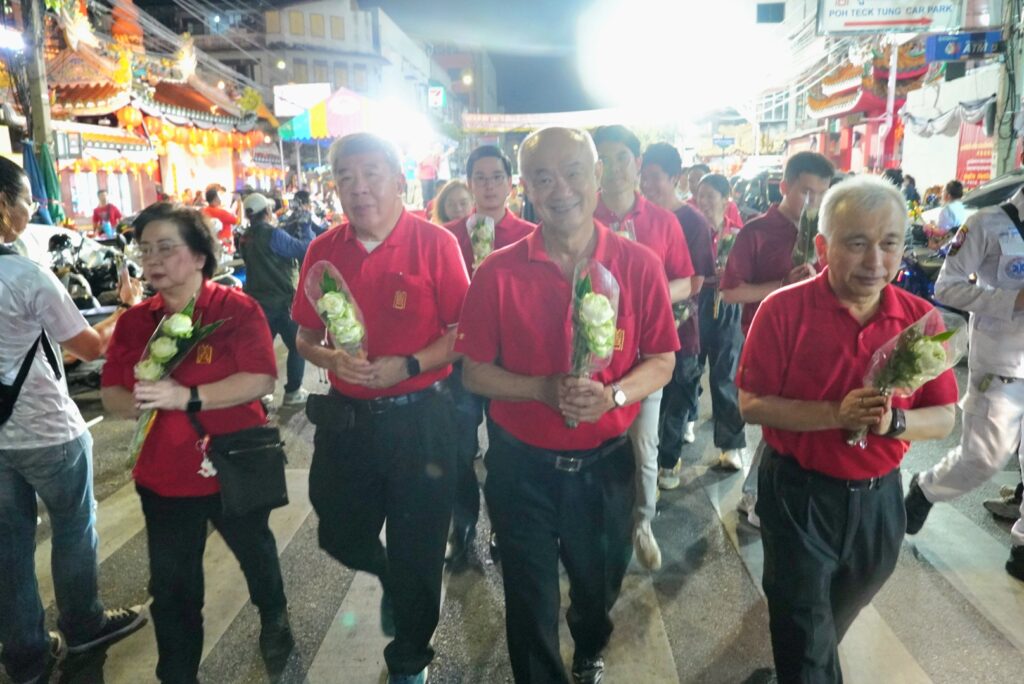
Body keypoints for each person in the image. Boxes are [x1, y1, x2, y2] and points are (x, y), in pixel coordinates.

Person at [456, 127, 678, 683]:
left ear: (597, 176)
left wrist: (615, 396)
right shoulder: (497, 271)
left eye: (574, 173)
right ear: (526, 188)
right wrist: (541, 388)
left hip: (604, 468)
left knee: (597, 585)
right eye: (544, 178)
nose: (561, 190)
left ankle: (589, 640)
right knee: (529, 602)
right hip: (521, 468)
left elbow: (662, 360)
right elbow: (474, 371)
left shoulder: (638, 264)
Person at [738, 175, 957, 681]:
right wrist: (835, 414)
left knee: (827, 624)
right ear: (823, 246)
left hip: (880, 501)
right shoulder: (782, 310)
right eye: (857, 244)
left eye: (889, 244)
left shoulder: (920, 320)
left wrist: (894, 421)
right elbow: (751, 404)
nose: (875, 261)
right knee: (803, 630)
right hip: (798, 496)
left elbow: (945, 417)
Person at [292, 133, 469, 684]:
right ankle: (390, 577)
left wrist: (409, 365)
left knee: (420, 550)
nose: (358, 187)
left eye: (371, 173)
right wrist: (330, 358)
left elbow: (463, 333)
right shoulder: (324, 250)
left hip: (422, 422)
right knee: (337, 530)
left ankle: (409, 660)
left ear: (398, 181)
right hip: (349, 422)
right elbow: (304, 336)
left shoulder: (435, 244)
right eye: (345, 177)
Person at [100, 203, 293, 683]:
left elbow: (260, 378)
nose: (153, 260)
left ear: (201, 256)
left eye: (167, 248)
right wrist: (140, 398)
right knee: (173, 590)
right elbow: (112, 395)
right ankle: (177, 673)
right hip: (164, 477)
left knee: (256, 553)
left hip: (235, 462)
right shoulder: (135, 322)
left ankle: (273, 612)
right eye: (146, 250)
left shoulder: (235, 310)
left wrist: (185, 396)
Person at [0, 157, 147, 684]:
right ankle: (84, 624)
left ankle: (25, 656)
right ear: (3, 205)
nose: (32, 210)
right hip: (47, 431)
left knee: (8, 548)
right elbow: (88, 347)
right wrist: (127, 309)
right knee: (73, 529)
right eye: (28, 200)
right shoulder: (25, 275)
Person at [903, 186, 1024, 581]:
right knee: (983, 458)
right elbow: (947, 287)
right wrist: (1013, 301)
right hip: (1001, 364)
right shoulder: (987, 223)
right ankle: (926, 488)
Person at [593, 125, 694, 571]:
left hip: (645, 356)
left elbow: (686, 280)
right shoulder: (580, 217)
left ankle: (642, 522)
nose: (614, 168)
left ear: (637, 163)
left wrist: (644, 294)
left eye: (622, 158)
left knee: (643, 444)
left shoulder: (663, 221)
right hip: (590, 357)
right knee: (590, 444)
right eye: (604, 159)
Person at [720, 152, 835, 526]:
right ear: (784, 187)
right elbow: (731, 292)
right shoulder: (757, 231)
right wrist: (782, 285)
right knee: (779, 417)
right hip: (767, 341)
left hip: (814, 340)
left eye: (822, 194)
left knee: (795, 419)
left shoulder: (828, 235)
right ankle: (757, 495)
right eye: (806, 192)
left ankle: (761, 494)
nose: (814, 202)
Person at [442, 145, 536, 568]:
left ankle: (503, 524)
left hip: (509, 364)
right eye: (480, 177)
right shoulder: (447, 237)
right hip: (459, 361)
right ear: (469, 184)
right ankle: (462, 525)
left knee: (506, 451)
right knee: (458, 450)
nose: (489, 185)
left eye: (497, 176)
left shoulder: (531, 235)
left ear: (510, 183)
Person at [637, 143, 716, 490]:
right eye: (644, 176)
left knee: (676, 397)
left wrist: (646, 297)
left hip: (680, 327)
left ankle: (668, 461)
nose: (647, 185)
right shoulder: (635, 217)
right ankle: (644, 467)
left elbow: (696, 280)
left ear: (675, 178)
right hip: (640, 331)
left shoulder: (692, 221)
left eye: (655, 177)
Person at [239, 192, 314, 406]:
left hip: (257, 302)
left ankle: (258, 394)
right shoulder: (273, 235)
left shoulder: (244, 237)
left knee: (260, 350)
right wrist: (305, 227)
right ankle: (293, 392)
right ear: (268, 211)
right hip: (280, 302)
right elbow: (305, 249)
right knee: (298, 346)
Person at [694, 173, 748, 470]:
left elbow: (748, 273)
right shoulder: (691, 230)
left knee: (725, 372)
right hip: (696, 301)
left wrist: (730, 273)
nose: (703, 201)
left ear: (726, 200)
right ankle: (686, 418)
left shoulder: (738, 235)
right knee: (690, 365)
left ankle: (731, 445)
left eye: (709, 196)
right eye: (700, 195)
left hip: (728, 303)